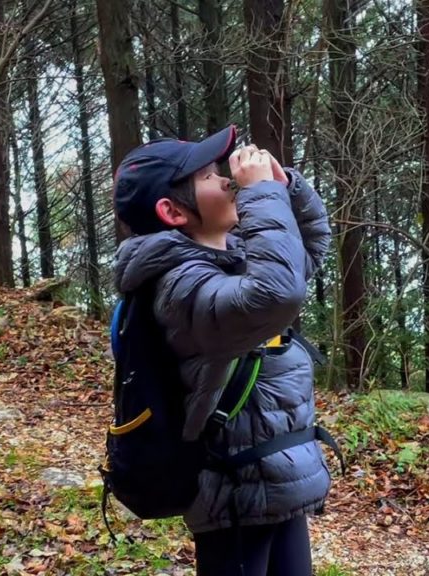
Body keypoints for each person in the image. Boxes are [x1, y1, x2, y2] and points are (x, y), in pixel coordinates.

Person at [111, 124, 332, 576]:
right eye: (210, 176)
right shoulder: (179, 287)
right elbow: (277, 295)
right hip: (233, 494)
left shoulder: (229, 254)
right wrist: (260, 196)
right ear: (173, 211)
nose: (228, 178)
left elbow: (306, 252)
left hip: (274, 478)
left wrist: (284, 187)